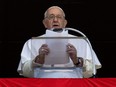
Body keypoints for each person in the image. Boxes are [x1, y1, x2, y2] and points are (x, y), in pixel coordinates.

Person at [17, 6, 101, 78]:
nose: (55, 20)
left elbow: (92, 72)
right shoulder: (32, 42)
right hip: (43, 83)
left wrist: (77, 60)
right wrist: (38, 60)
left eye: (59, 17)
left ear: (65, 23)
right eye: (51, 17)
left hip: (73, 83)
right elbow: (24, 72)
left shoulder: (81, 41)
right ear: (44, 23)